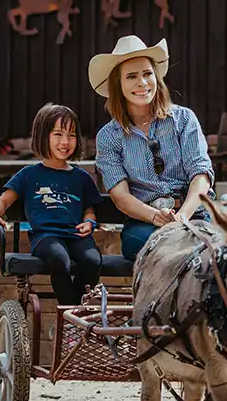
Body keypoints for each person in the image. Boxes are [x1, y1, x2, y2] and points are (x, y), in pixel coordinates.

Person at [90, 35, 215, 261]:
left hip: (192, 212)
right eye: (131, 76)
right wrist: (156, 216)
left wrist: (183, 216)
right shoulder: (109, 136)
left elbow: (201, 174)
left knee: (209, 249)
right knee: (145, 244)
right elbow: (120, 196)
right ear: (118, 85)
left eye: (147, 74)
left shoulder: (183, 119)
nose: (142, 83)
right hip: (144, 220)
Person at [0, 103, 104, 307]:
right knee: (59, 259)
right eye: (58, 134)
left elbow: (90, 211)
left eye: (71, 135)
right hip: (45, 237)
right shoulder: (29, 175)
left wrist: (89, 224)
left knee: (93, 261)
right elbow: (4, 200)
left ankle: (74, 314)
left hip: (75, 235)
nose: (65, 142)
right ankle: (70, 316)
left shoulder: (81, 177)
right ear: (42, 135)